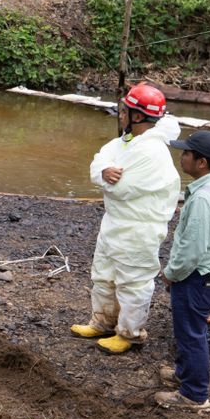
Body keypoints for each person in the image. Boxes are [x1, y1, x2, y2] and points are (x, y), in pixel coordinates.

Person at [71, 83, 181, 354]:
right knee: (104, 274)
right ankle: (103, 322)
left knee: (133, 281)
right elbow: (98, 162)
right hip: (115, 223)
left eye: (125, 111)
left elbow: (121, 188)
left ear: (139, 117)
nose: (120, 115)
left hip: (139, 228)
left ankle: (130, 333)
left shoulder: (153, 152)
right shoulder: (124, 142)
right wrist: (104, 171)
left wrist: (105, 178)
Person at [154, 130, 210, 413]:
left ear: (201, 162)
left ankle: (194, 395)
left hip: (199, 275)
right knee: (189, 329)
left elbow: (193, 249)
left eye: (186, 153)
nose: (181, 157)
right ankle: (183, 374)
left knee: (191, 332)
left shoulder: (203, 198)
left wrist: (171, 272)